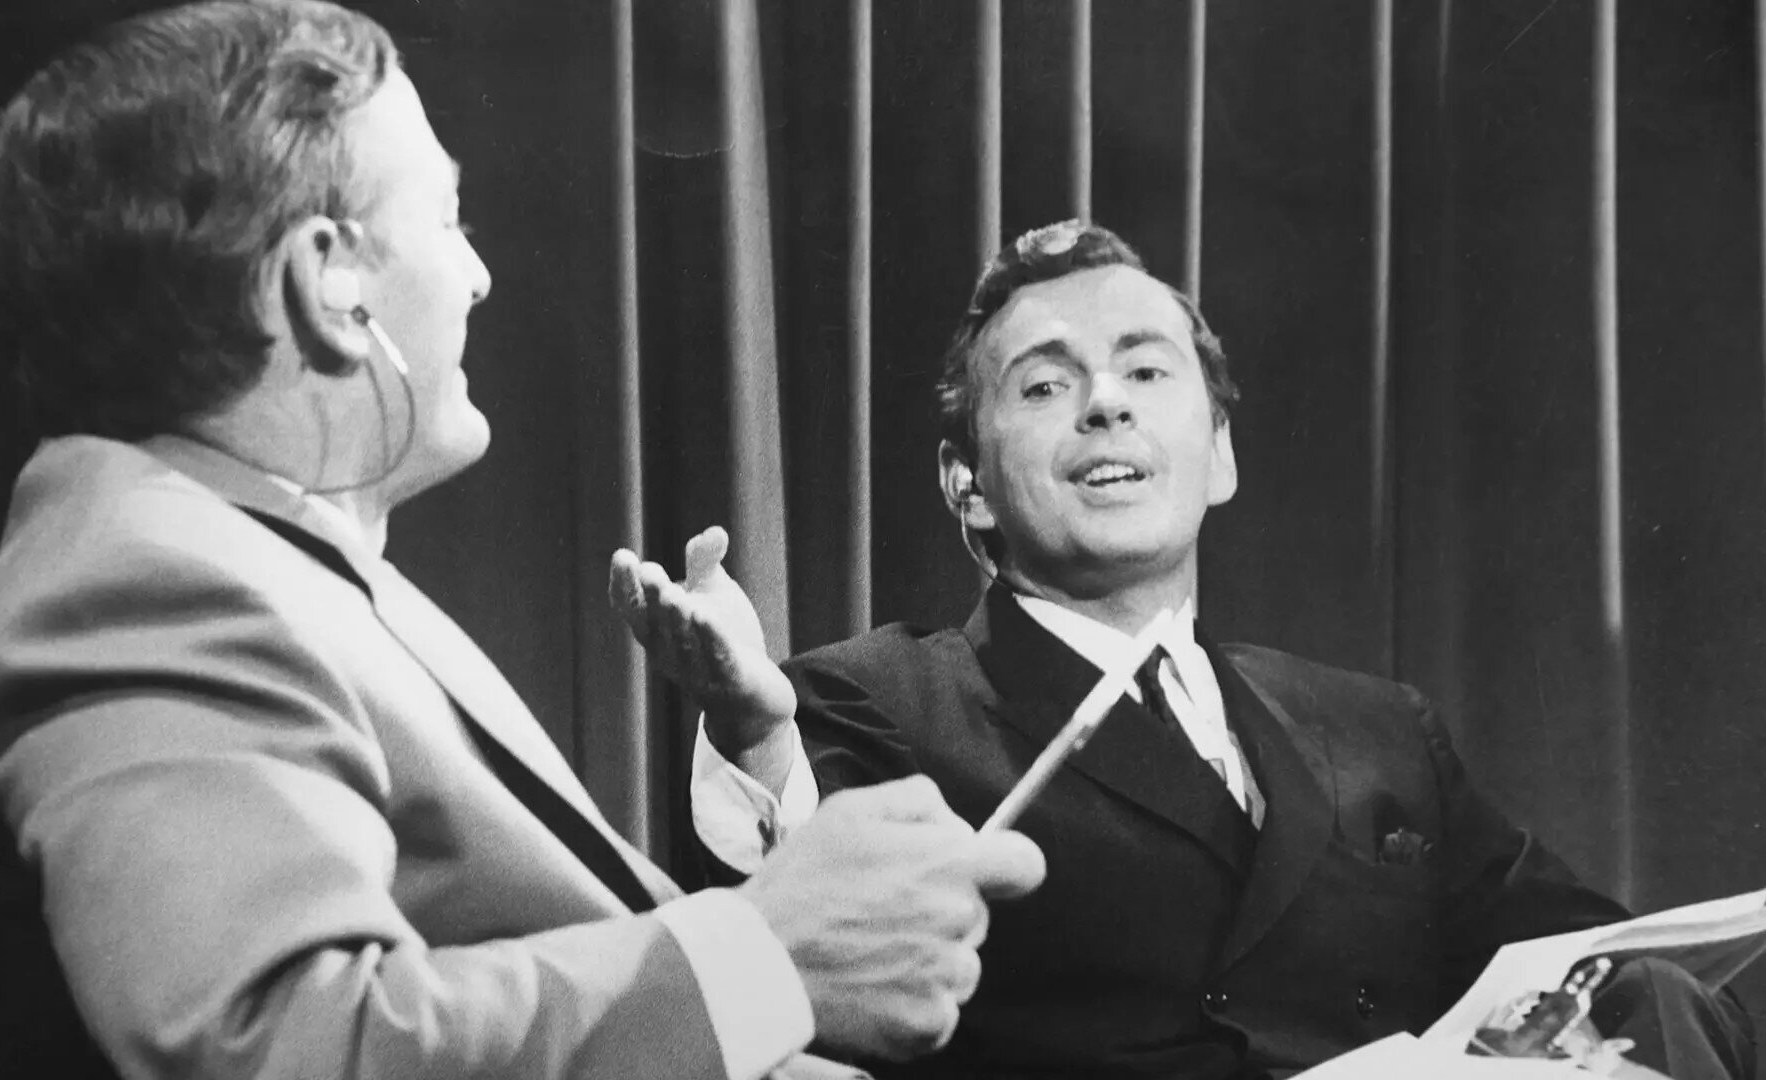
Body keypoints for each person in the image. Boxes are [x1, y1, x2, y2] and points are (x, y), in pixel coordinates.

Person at [0, 4, 1049, 1079]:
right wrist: (766, 951)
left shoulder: (246, 560)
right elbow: (281, 1047)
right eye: (445, 216)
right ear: (331, 284)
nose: (475, 276)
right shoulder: (157, 584)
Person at [610, 221, 1757, 1078]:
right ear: (968, 487)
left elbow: (1595, 960)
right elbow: (791, 947)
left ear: (1220, 455)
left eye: (1147, 370)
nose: (1105, 403)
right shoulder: (873, 701)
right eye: (1046, 383)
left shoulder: (1377, 726)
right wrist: (755, 732)